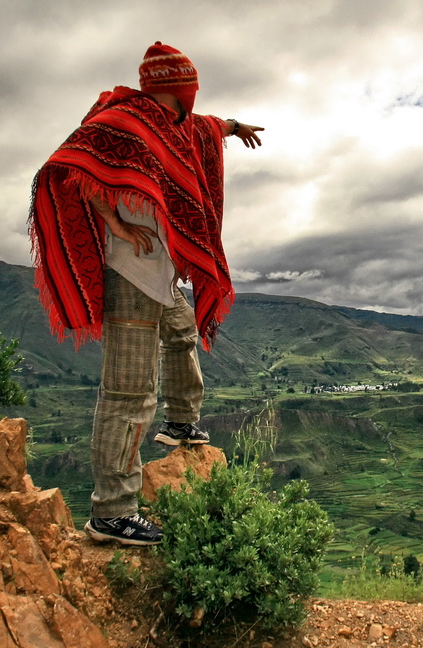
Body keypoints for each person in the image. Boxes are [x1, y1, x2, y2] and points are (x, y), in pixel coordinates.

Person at [29, 42, 263, 546]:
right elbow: (74, 163)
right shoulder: (127, 118)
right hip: (129, 275)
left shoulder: (184, 128)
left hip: (161, 275)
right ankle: (111, 511)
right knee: (129, 392)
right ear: (182, 86)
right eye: (191, 87)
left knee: (180, 335)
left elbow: (212, 126)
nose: (195, 97)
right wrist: (112, 219)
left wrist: (237, 127)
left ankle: (182, 423)